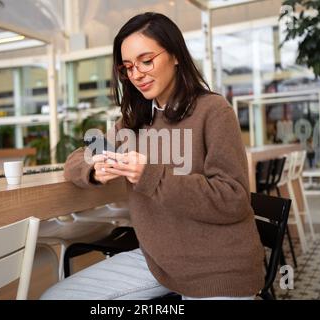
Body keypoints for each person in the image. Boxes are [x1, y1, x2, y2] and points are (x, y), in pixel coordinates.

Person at [41, 12, 264, 300]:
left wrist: (150, 174)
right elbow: (76, 159)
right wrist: (95, 169)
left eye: (146, 61)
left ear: (175, 55)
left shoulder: (213, 111)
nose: (136, 75)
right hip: (157, 264)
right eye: (128, 67)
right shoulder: (135, 122)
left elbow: (233, 199)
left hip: (218, 269)